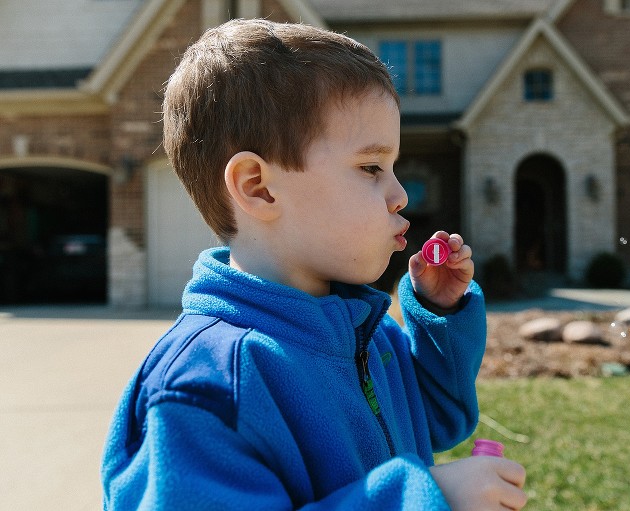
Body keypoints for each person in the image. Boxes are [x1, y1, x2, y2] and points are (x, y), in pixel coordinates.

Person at [101, 18, 527, 510]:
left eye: (393, 168)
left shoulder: (369, 336)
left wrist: (439, 316)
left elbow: (438, 419)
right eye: (371, 167)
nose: (401, 194)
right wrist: (423, 500)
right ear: (259, 187)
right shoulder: (208, 385)